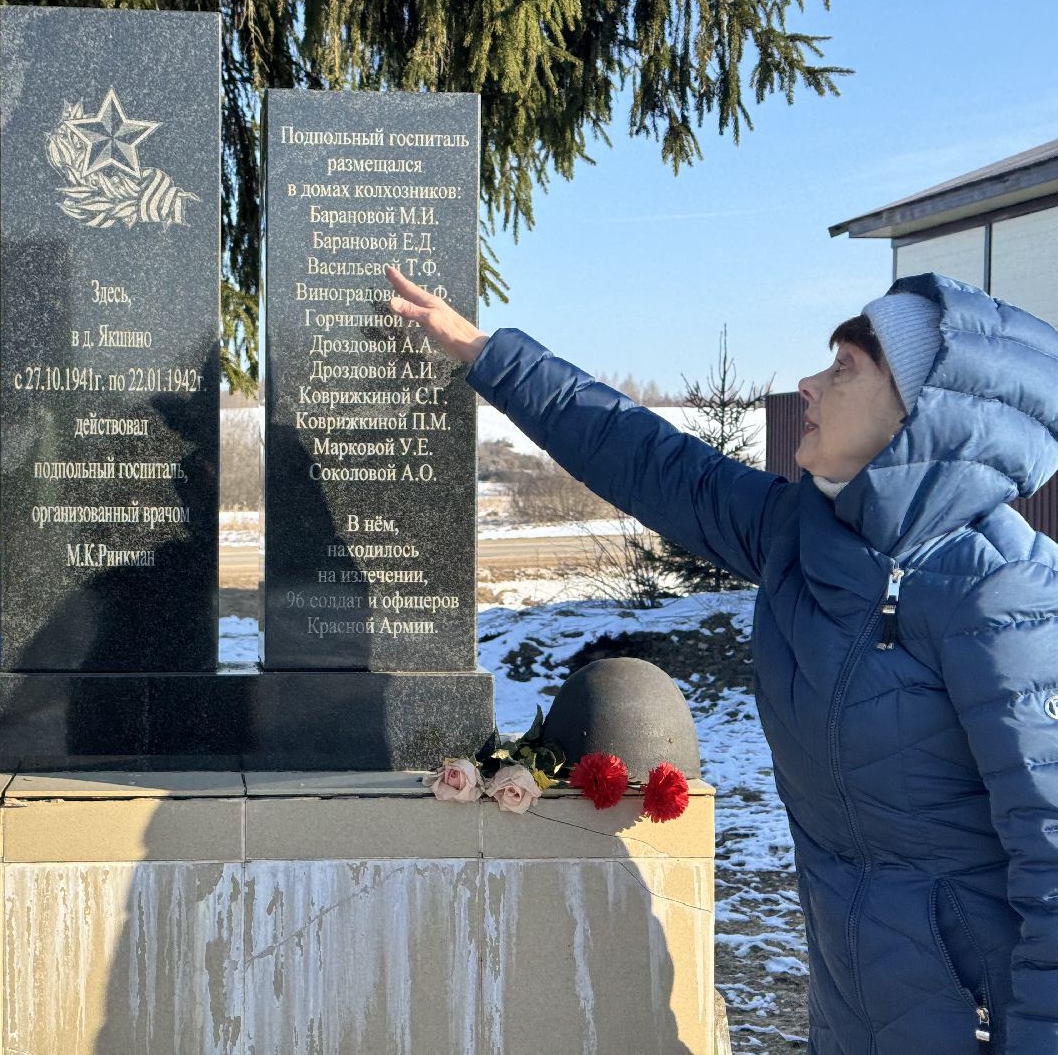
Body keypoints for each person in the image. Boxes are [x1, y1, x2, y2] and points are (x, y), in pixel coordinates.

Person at [385, 266, 1058, 1054]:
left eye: (845, 367)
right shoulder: (801, 538)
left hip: (979, 1016)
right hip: (855, 1001)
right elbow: (644, 455)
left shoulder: (999, 591)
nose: (808, 383)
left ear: (923, 413)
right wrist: (485, 353)